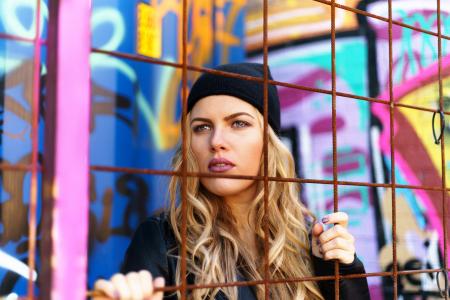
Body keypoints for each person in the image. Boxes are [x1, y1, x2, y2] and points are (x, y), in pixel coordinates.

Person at [93, 63, 370, 299]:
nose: (216, 142)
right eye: (201, 127)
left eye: (238, 123)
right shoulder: (163, 240)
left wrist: (346, 273)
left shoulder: (308, 241)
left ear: (269, 142)